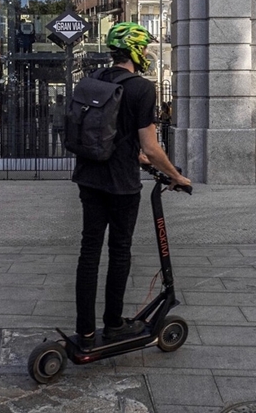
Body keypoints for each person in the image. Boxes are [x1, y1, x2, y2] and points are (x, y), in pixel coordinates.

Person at [71, 22, 192, 349]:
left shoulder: (91, 81)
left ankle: (84, 331)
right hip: (121, 184)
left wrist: (135, 155)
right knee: (119, 250)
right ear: (136, 52)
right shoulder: (141, 88)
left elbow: (108, 131)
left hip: (88, 176)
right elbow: (151, 147)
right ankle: (112, 325)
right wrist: (177, 177)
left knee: (89, 251)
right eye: (145, 48)